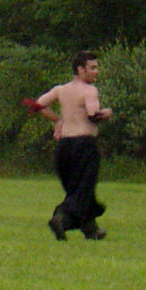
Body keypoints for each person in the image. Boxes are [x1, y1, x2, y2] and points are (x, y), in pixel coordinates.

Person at [25, 50, 113, 241]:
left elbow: (36, 106)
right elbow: (93, 115)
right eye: (93, 68)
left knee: (77, 189)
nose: (97, 72)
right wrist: (106, 113)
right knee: (83, 189)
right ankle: (61, 218)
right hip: (84, 146)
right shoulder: (90, 91)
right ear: (80, 70)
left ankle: (91, 230)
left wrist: (58, 120)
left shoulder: (60, 90)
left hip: (64, 148)